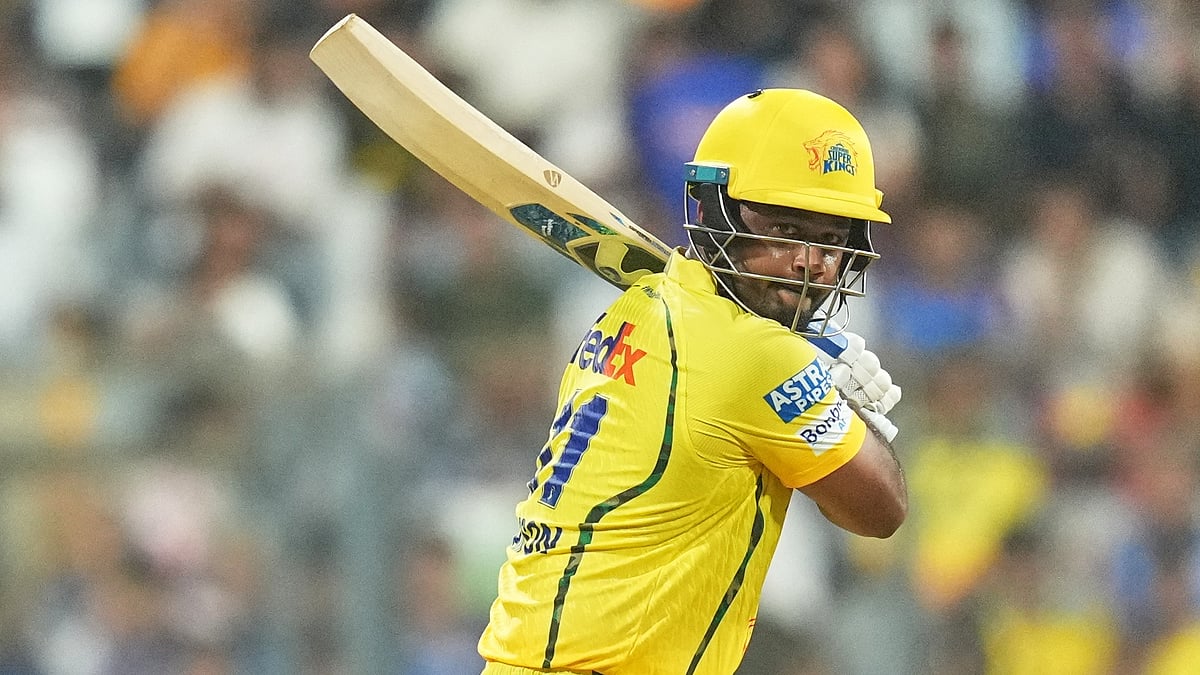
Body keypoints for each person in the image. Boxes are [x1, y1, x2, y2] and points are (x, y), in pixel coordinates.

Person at [477, 88, 908, 674]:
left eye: (831, 240)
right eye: (786, 229)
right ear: (715, 215)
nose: (812, 262)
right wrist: (835, 398)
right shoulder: (758, 357)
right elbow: (880, 510)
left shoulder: (635, 308)